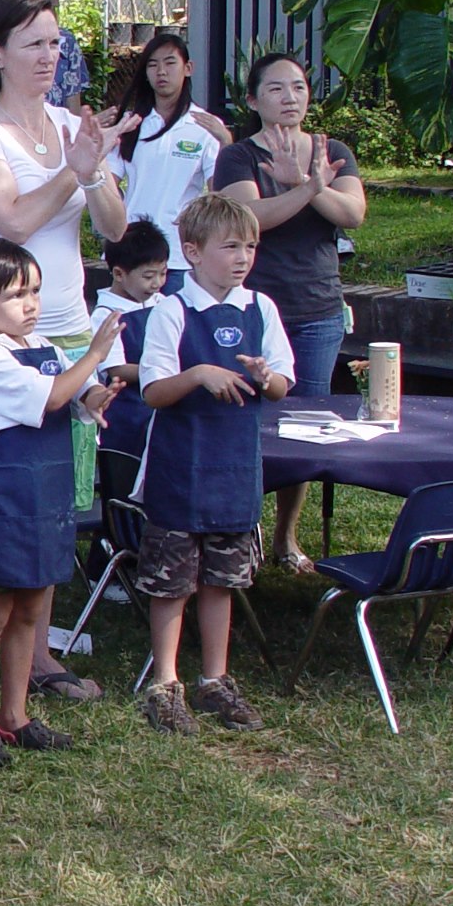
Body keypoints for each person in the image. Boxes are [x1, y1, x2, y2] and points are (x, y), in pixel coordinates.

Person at [0, 0, 130, 717]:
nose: (50, 57)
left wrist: (95, 166)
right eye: (36, 44)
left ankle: (36, 652)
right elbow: (9, 219)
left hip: (65, 327)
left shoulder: (73, 127)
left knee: (50, 500)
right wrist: (72, 172)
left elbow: (114, 228)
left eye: (56, 44)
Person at [0, 238, 122, 769]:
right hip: (6, 507)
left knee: (33, 611)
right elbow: (49, 396)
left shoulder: (44, 344)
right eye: (17, 295)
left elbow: (75, 393)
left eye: (36, 292)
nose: (31, 304)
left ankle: (16, 714)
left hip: (46, 498)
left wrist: (96, 392)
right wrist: (94, 354)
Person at [134, 192, 294, 735]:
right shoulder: (172, 310)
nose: (243, 256)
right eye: (230, 246)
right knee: (172, 580)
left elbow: (281, 384)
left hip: (234, 468)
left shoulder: (261, 309)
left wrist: (263, 376)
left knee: (222, 579)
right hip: (181, 468)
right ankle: (166, 682)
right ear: (193, 252)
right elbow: (154, 389)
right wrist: (200, 373)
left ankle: (215, 679)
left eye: (250, 246)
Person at [214, 51, 365, 572]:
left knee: (306, 420)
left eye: (298, 87)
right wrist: (307, 188)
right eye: (276, 89)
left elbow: (354, 214)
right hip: (256, 306)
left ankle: (286, 535)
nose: (290, 98)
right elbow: (248, 219)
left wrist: (311, 181)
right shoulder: (238, 158)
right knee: (248, 416)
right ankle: (240, 529)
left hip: (318, 306)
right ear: (253, 100)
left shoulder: (331, 151)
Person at [107, 32, 229, 284]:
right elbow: (108, 179)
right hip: (130, 250)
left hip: (179, 256)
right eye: (152, 65)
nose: (161, 71)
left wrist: (227, 144)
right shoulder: (131, 122)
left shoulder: (206, 125)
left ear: (188, 68)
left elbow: (220, 193)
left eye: (170, 62)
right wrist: (119, 216)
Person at [90, 220, 170, 460]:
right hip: (127, 413)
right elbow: (116, 369)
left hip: (161, 410)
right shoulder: (107, 315)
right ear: (118, 274)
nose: (156, 283)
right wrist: (163, 372)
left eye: (163, 274)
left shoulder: (163, 303)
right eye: (148, 276)